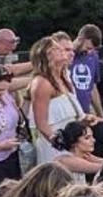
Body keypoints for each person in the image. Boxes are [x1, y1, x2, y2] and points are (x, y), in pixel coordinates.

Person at [29, 36, 84, 165]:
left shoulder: (64, 79)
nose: (61, 50)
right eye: (55, 49)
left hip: (73, 141)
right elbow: (41, 122)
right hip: (55, 146)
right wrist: (57, 140)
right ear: (46, 55)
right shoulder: (42, 83)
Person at [70, 23, 103, 115]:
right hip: (67, 113)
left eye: (93, 49)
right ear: (80, 40)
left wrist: (101, 114)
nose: (90, 52)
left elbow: (92, 87)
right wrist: (71, 50)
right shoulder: (64, 56)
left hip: (85, 112)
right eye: (88, 48)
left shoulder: (93, 57)